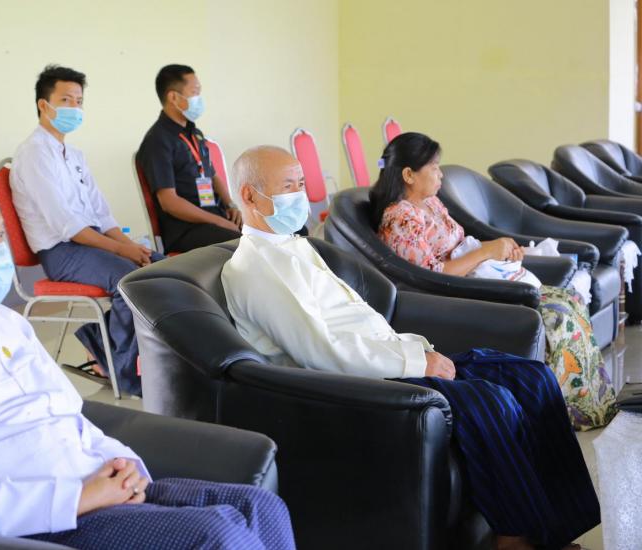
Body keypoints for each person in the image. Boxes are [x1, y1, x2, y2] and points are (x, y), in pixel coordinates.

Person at [0, 179, 295, 549]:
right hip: (45, 521)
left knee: (259, 507)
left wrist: (122, 463)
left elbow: (67, 414)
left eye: (1, 236)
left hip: (97, 483)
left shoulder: (6, 322)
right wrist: (79, 498)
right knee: (215, 536)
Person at [221, 145, 598, 550]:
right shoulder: (256, 268)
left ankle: (558, 528)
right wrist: (418, 361)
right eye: (288, 187)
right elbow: (322, 351)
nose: (300, 195)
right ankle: (514, 538)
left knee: (531, 377)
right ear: (249, 196)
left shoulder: (293, 246)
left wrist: (415, 351)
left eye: (301, 184)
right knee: (492, 402)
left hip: (391, 356)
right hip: (359, 384)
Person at [372, 132, 615, 431]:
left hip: (476, 279)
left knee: (570, 298)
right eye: (433, 167)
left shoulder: (430, 204)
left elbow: (459, 245)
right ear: (409, 175)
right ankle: (565, 414)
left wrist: (497, 250)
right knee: (557, 315)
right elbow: (432, 275)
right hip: (457, 294)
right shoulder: (401, 218)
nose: (441, 174)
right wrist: (487, 252)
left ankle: (591, 405)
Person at [11, 65, 160, 396]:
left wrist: (133, 247)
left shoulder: (74, 155)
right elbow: (67, 225)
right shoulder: (34, 154)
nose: (74, 108)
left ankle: (100, 342)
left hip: (92, 242)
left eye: (79, 101)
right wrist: (122, 250)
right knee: (129, 282)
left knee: (161, 267)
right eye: (65, 100)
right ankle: (123, 372)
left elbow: (101, 214)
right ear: (44, 105)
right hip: (62, 251)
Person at [137, 64, 242, 253]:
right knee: (245, 245)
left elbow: (212, 175)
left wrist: (231, 206)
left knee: (270, 231)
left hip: (214, 217)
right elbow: (169, 202)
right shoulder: (158, 141)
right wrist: (219, 222)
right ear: (173, 97)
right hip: (187, 229)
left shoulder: (194, 133)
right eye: (194, 92)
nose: (199, 98)